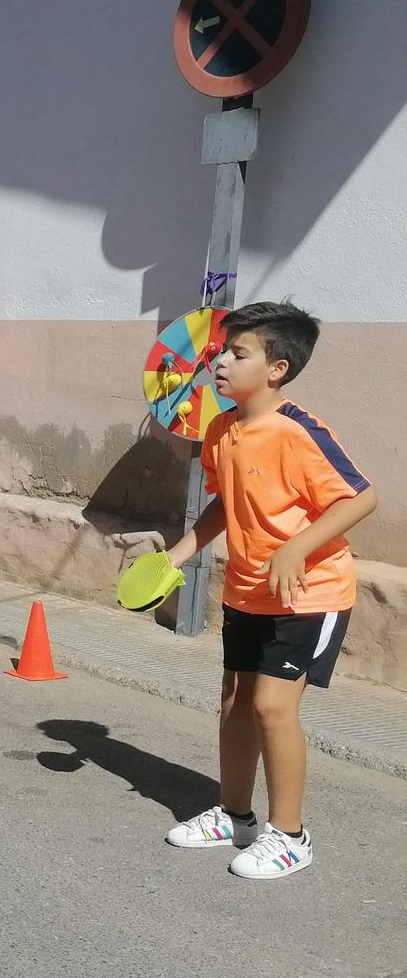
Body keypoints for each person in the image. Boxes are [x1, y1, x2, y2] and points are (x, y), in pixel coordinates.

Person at [159, 301, 378, 880]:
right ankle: (235, 816)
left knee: (272, 707)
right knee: (236, 701)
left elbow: (360, 497)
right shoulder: (221, 429)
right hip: (247, 590)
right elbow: (227, 504)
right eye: (222, 351)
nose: (220, 363)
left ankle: (291, 836)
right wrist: (180, 554)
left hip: (311, 592)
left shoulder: (298, 431)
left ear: (276, 368)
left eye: (238, 353)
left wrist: (296, 547)